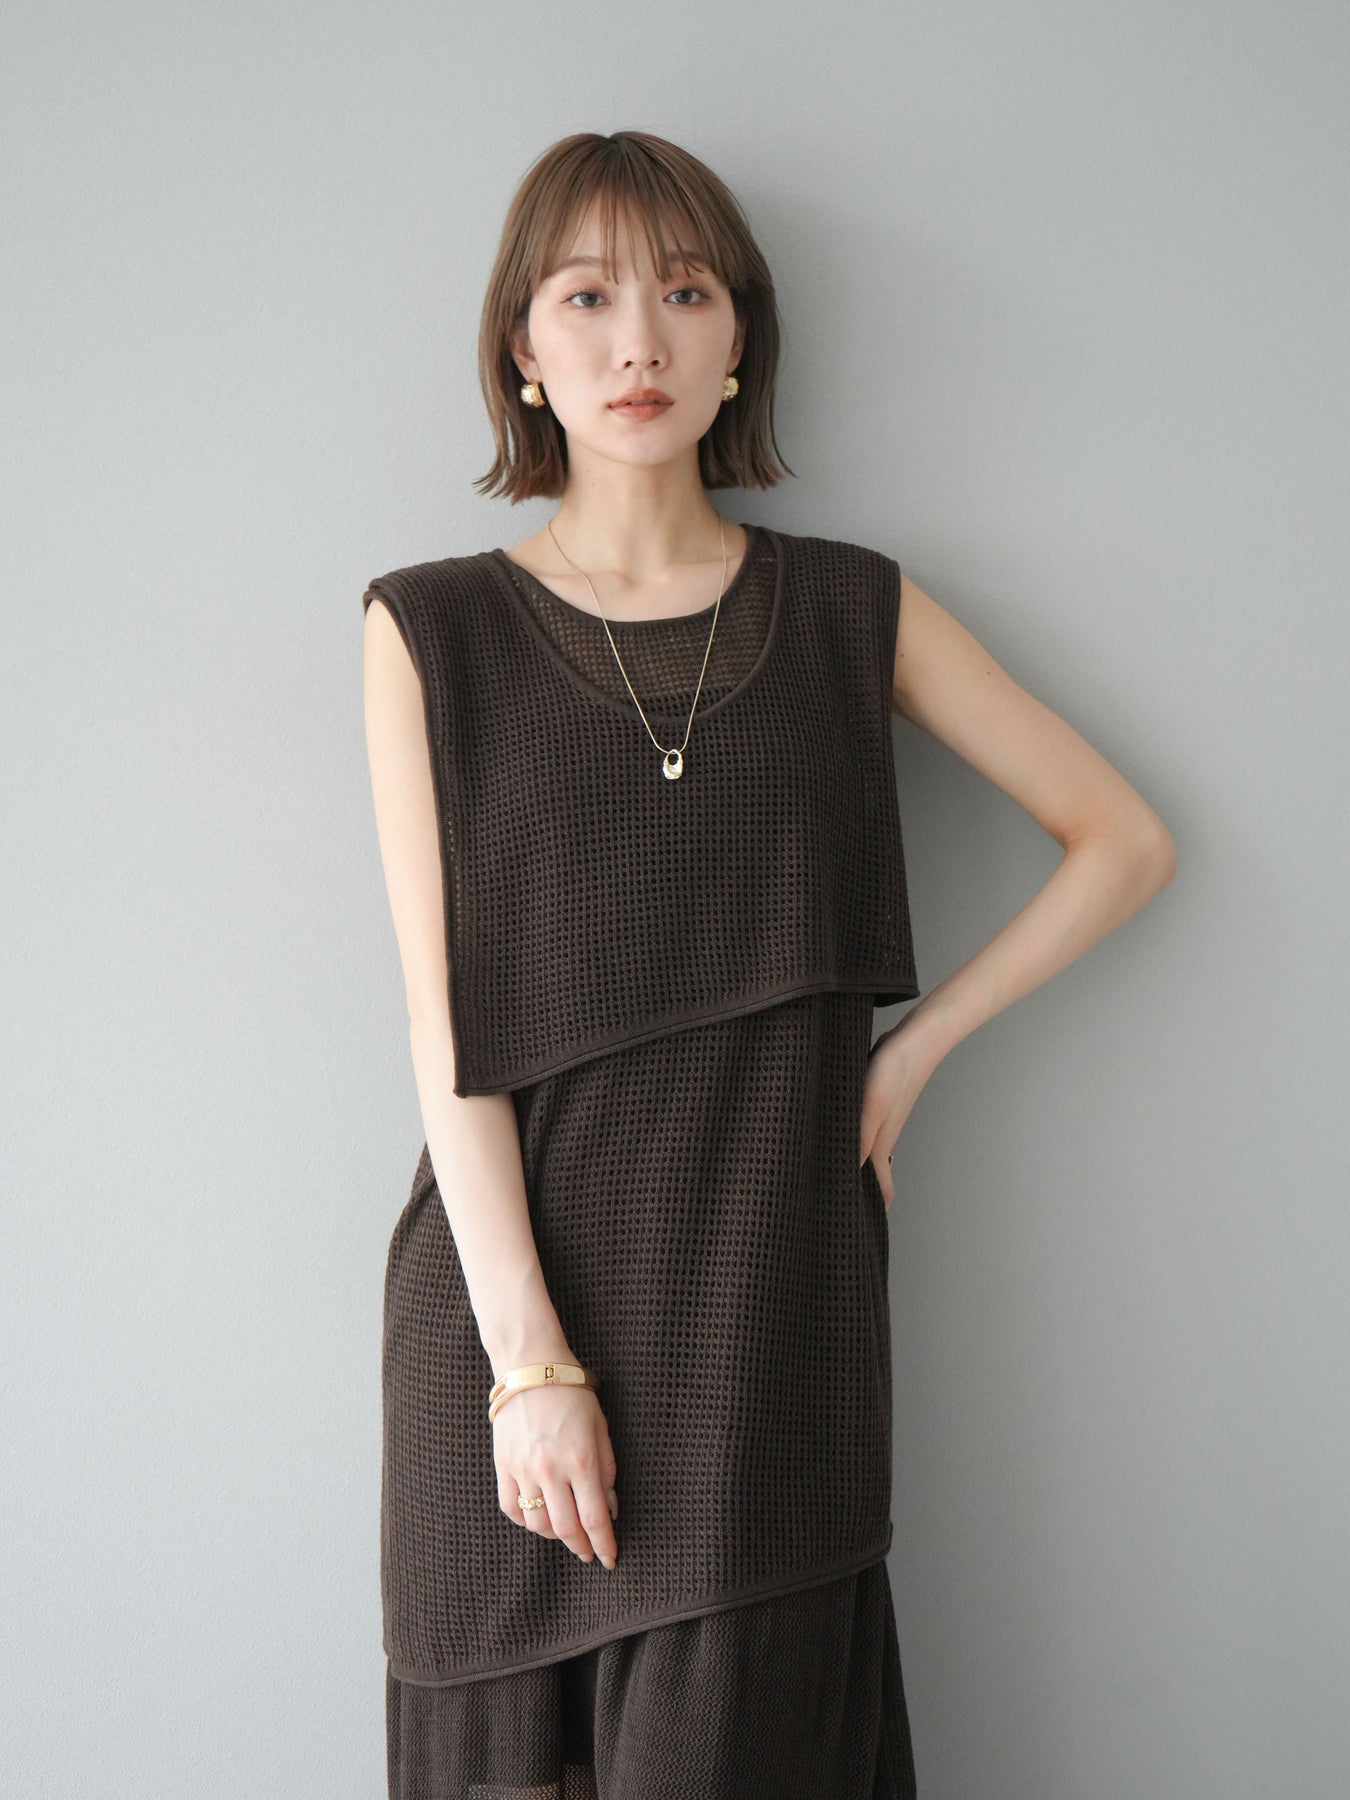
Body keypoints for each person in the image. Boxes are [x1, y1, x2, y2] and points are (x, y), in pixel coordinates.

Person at [361, 129, 1176, 1800]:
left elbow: (1121, 840)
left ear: (741, 339)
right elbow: (445, 1035)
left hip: (766, 1319)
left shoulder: (847, 609)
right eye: (585, 299)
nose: (637, 343)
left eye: (683, 294)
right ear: (522, 348)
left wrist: (908, 1053)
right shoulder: (430, 630)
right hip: (510, 1323)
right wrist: (528, 1370)